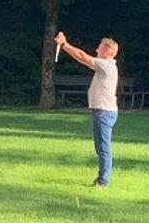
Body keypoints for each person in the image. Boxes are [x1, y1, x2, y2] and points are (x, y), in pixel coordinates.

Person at [54, 32, 119, 188]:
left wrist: (64, 44)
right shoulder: (106, 66)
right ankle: (102, 179)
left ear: (107, 51)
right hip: (103, 111)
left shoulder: (106, 65)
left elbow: (83, 56)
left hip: (104, 112)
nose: (96, 50)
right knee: (101, 147)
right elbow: (83, 58)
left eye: (100, 47)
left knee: (103, 148)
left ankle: (103, 181)